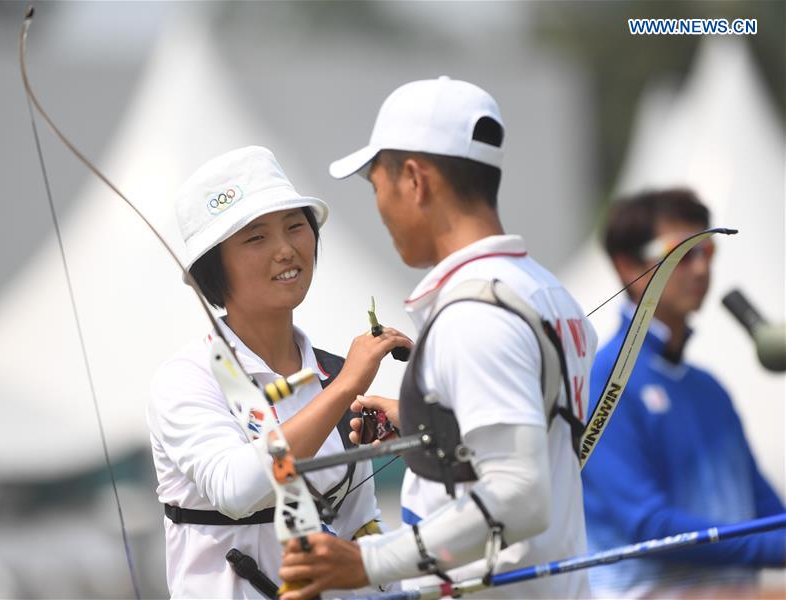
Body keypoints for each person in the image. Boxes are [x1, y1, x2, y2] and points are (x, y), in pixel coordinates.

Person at [279, 77, 597, 599]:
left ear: (414, 180)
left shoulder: (475, 316)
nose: (379, 206)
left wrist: (366, 561)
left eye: (375, 184)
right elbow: (529, 445)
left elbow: (519, 496)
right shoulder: (546, 292)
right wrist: (427, 423)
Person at [147, 146, 413, 598]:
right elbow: (237, 489)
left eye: (295, 227)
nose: (286, 250)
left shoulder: (328, 372)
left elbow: (358, 524)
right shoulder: (187, 379)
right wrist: (348, 383)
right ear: (214, 267)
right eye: (256, 238)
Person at [581, 189, 785, 598]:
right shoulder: (605, 378)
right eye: (682, 253)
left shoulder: (710, 390)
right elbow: (649, 526)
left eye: (707, 252)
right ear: (627, 266)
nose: (700, 269)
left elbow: (767, 512)